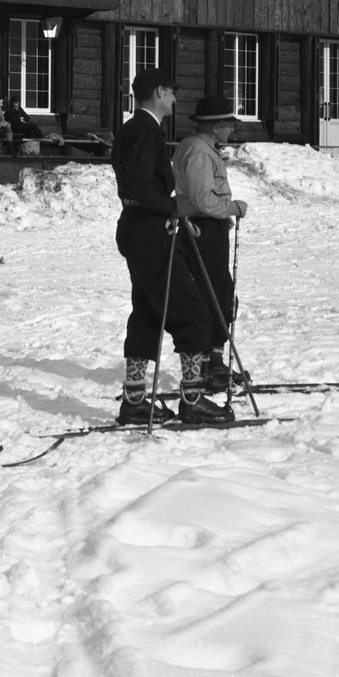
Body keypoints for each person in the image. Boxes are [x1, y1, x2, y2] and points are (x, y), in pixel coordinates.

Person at [112, 67, 225, 425]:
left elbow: (137, 188)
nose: (176, 99)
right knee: (193, 313)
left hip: (138, 228)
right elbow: (142, 187)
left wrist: (168, 207)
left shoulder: (134, 129)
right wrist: (174, 206)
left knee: (147, 313)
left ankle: (134, 400)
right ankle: (193, 399)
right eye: (172, 92)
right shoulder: (146, 130)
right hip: (149, 231)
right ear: (158, 92)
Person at [172, 95, 250, 399]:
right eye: (229, 124)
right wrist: (232, 208)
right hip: (202, 230)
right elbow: (204, 199)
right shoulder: (199, 152)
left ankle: (213, 360)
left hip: (207, 226)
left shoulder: (202, 148)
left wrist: (221, 215)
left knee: (222, 293)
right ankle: (206, 365)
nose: (231, 129)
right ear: (217, 125)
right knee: (212, 295)